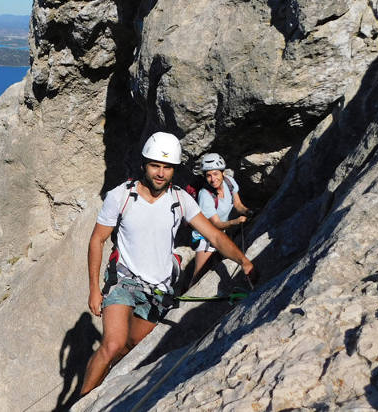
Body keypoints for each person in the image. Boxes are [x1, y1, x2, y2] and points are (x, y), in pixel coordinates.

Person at [79, 132, 255, 397]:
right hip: (124, 280)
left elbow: (215, 236)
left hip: (158, 289)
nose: (161, 173)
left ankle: (101, 390)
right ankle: (82, 401)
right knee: (113, 344)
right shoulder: (121, 196)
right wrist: (94, 288)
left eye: (167, 167)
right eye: (155, 166)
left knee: (132, 347)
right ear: (144, 165)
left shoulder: (180, 200)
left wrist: (243, 261)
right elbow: (97, 239)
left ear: (174, 170)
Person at [189, 153, 252, 288]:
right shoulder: (205, 195)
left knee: (217, 263)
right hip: (205, 237)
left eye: (216, 174)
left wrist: (247, 212)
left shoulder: (229, 182)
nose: (213, 179)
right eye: (208, 175)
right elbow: (216, 224)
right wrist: (235, 222)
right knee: (198, 275)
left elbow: (238, 205)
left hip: (223, 232)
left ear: (223, 173)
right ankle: (185, 298)